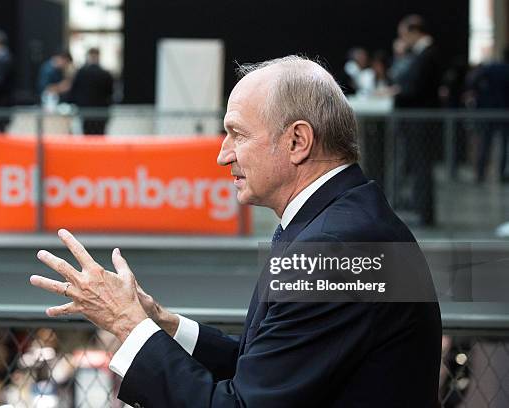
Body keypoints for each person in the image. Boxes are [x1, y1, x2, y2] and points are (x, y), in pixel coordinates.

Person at [30, 55, 442, 407]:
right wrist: (162, 324)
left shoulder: (333, 248)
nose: (223, 154)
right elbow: (268, 373)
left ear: (298, 140)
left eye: (237, 134)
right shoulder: (344, 221)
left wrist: (126, 323)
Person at [393, 15, 443, 226]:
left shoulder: (428, 54)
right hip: (419, 119)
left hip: (422, 120)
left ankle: (425, 214)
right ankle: (422, 210)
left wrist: (397, 92)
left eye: (405, 35)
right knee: (419, 167)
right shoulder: (423, 53)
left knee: (422, 167)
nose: (404, 40)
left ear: (415, 32)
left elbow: (415, 87)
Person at [467, 48, 509, 183]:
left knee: (484, 143)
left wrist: (479, 94)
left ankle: (480, 174)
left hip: (486, 110)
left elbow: (472, 82)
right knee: (504, 145)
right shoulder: (504, 70)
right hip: (504, 111)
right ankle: (501, 174)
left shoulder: (489, 68)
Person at [66, 48, 114, 135]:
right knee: (100, 135)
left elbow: (74, 91)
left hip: (85, 110)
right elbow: (110, 93)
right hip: (101, 111)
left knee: (87, 135)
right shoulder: (105, 74)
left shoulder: (81, 72)